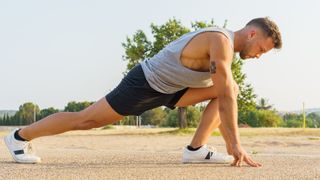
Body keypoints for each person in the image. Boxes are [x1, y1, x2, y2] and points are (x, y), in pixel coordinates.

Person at [4, 17, 282, 167]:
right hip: (146, 82)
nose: (259, 56)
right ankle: (19, 137)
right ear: (252, 35)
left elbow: (225, 93)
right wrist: (234, 144)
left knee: (229, 88)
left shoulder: (227, 50)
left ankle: (195, 149)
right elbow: (225, 96)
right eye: (261, 50)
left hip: (173, 89)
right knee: (86, 119)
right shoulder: (220, 41)